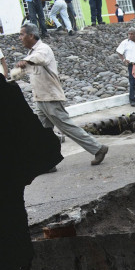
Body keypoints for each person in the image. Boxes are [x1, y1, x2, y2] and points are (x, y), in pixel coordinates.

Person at [15, 23, 108, 167]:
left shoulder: (42, 49)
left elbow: (40, 59)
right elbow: (26, 70)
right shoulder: (31, 53)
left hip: (50, 98)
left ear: (31, 35)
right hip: (40, 98)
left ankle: (98, 148)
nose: (20, 38)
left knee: (66, 127)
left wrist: (25, 61)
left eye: (22, 35)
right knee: (42, 132)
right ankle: (49, 162)